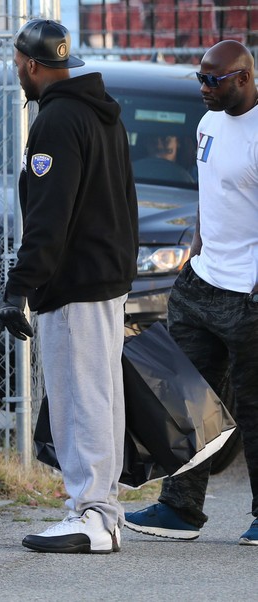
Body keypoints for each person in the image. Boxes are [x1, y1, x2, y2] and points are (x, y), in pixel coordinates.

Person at [0, 19, 139, 553]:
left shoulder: (56, 121)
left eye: (19, 66)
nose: (19, 74)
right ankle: (104, 512)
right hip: (105, 279)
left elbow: (48, 216)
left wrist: (21, 287)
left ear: (32, 65)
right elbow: (126, 199)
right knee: (100, 398)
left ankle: (91, 516)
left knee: (80, 401)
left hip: (75, 283)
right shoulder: (102, 113)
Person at [125, 40, 258, 545]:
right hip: (201, 283)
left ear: (243, 78)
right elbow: (211, 194)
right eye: (200, 78)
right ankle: (180, 509)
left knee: (252, 409)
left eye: (213, 80)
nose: (203, 87)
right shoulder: (207, 124)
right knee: (184, 398)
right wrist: (194, 256)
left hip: (247, 295)